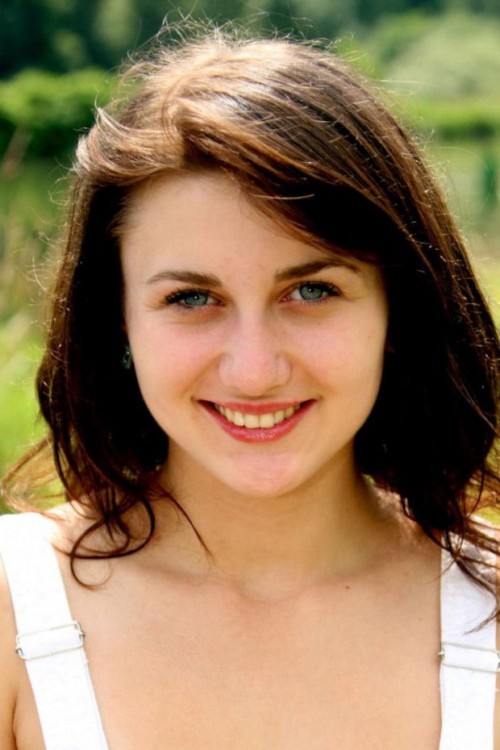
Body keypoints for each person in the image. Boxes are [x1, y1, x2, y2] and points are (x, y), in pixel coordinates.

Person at [0, 27, 498, 750]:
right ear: (118, 321)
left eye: (312, 290)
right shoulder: (14, 608)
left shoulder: (490, 605)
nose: (254, 371)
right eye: (191, 299)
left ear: (400, 308)